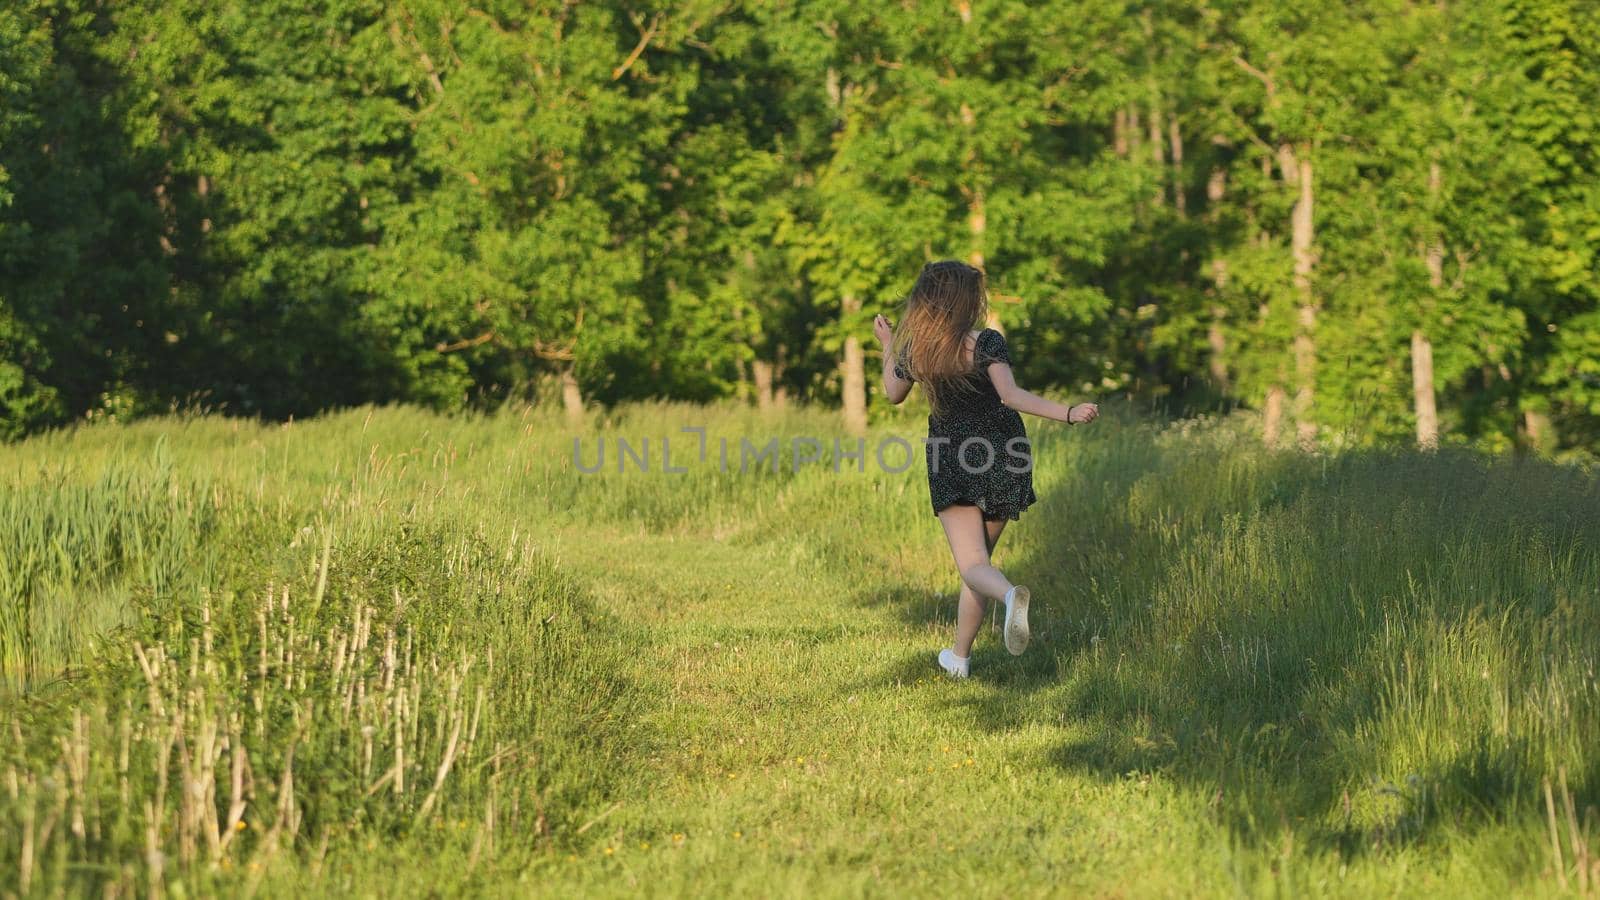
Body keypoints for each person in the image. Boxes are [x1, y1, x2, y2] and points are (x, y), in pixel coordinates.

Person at [874, 260, 1099, 678]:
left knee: (975, 565)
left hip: (954, 457)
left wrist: (887, 344)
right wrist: (1068, 413)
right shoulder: (987, 343)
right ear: (964, 302)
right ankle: (959, 659)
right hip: (1005, 453)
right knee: (980, 564)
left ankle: (1011, 595)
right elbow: (1011, 396)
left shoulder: (916, 350)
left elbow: (892, 394)